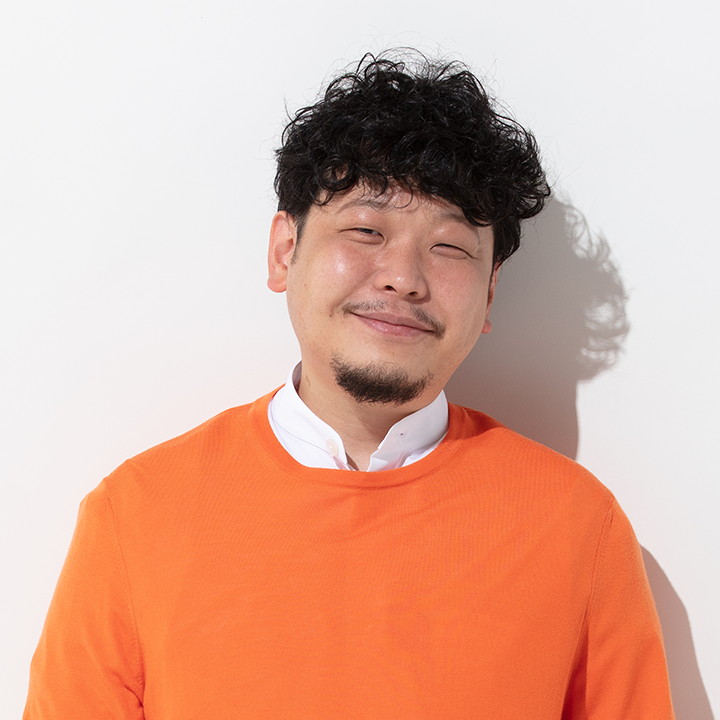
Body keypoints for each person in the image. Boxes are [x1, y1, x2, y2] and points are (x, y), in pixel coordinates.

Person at [24, 52, 675, 719]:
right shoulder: (136, 515)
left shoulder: (577, 527)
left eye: (450, 247)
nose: (403, 278)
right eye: (366, 230)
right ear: (285, 251)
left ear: (489, 292)